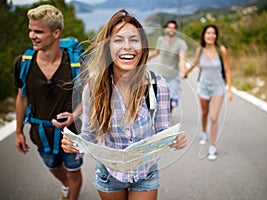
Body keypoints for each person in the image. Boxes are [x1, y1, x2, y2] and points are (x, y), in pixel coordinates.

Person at [61, 9, 187, 200]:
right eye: (118, 40)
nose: (127, 46)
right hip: (109, 175)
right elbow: (90, 136)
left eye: (134, 40)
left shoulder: (157, 85)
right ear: (108, 47)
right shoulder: (94, 90)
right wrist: (75, 144)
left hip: (145, 173)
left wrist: (174, 138)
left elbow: (163, 130)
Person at [14, 5, 83, 200]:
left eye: (38, 31)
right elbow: (22, 97)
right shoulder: (23, 63)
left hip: (72, 134)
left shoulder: (76, 63)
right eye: (31, 30)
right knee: (53, 166)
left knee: (74, 172)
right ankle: (66, 185)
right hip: (40, 134)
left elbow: (88, 98)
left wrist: (74, 115)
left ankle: (71, 194)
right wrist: (19, 132)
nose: (32, 36)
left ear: (56, 33)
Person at [182, 24, 233, 160]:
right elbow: (194, 63)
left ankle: (212, 147)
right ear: (204, 35)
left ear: (216, 36)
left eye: (213, 33)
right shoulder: (200, 50)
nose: (211, 36)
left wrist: (230, 89)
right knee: (204, 112)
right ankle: (204, 131)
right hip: (203, 86)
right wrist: (186, 73)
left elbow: (227, 70)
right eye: (208, 33)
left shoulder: (221, 50)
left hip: (218, 87)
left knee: (213, 117)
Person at [148, 20, 188, 114]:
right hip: (162, 75)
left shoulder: (181, 43)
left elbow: (182, 59)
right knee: (160, 98)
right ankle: (160, 116)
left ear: (176, 30)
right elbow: (157, 51)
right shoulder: (161, 40)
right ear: (165, 29)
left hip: (173, 75)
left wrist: (184, 70)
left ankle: (167, 119)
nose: (171, 29)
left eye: (173, 28)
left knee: (170, 99)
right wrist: (147, 58)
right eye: (169, 27)